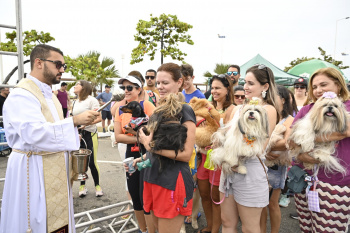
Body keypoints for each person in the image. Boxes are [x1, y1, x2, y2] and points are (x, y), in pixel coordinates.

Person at [0, 44, 100, 233]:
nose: (62, 69)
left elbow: (54, 129)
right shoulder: (22, 95)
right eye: (58, 64)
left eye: (64, 65)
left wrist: (76, 126)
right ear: (38, 63)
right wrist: (73, 121)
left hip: (54, 167)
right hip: (32, 169)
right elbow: (33, 133)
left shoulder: (51, 97)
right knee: (34, 220)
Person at [219, 64, 279, 233]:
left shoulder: (268, 110)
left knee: (250, 227)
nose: (245, 86)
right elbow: (224, 135)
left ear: (265, 86)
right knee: (227, 222)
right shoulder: (237, 109)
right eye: (245, 82)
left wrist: (231, 148)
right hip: (228, 170)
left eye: (251, 83)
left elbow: (260, 147)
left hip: (250, 172)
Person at [136, 62, 196, 233]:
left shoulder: (185, 110)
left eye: (165, 83)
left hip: (172, 181)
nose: (160, 87)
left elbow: (185, 154)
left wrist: (150, 146)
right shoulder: (159, 110)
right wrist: (141, 159)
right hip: (153, 177)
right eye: (158, 83)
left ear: (179, 82)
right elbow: (157, 148)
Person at [289, 67, 350, 233]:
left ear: (338, 85)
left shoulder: (348, 107)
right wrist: (301, 155)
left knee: (329, 229)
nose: (318, 90)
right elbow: (291, 140)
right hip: (305, 181)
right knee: (306, 228)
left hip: (336, 182)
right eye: (314, 87)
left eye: (324, 85)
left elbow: (347, 130)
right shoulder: (306, 110)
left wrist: (312, 137)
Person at [114, 75, 156, 233]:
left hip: (146, 154)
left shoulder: (147, 105)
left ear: (139, 89)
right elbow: (118, 137)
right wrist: (139, 137)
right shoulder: (121, 108)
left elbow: (155, 134)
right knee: (134, 194)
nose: (126, 90)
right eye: (123, 88)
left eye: (129, 87)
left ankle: (151, 231)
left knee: (145, 195)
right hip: (130, 154)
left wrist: (133, 135)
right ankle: (143, 229)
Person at [196, 74, 235, 233]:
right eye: (212, 88)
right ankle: (210, 225)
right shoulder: (206, 107)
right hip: (203, 157)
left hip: (219, 161)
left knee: (216, 197)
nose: (214, 91)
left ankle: (215, 229)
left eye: (218, 88)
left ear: (227, 89)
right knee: (204, 195)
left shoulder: (232, 109)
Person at [260, 85, 294, 233]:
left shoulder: (289, 119)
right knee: (260, 204)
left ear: (283, 99)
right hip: (261, 164)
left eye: (274, 96)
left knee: (272, 203)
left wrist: (265, 147)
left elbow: (287, 144)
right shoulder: (266, 115)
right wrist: (266, 150)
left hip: (277, 166)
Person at [71, 80, 103, 197]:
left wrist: (86, 125)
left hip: (90, 134)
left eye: (77, 84)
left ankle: (97, 186)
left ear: (84, 87)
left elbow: (99, 118)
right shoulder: (75, 102)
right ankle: (82, 186)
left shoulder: (92, 100)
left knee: (92, 162)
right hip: (78, 135)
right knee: (80, 162)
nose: (75, 86)